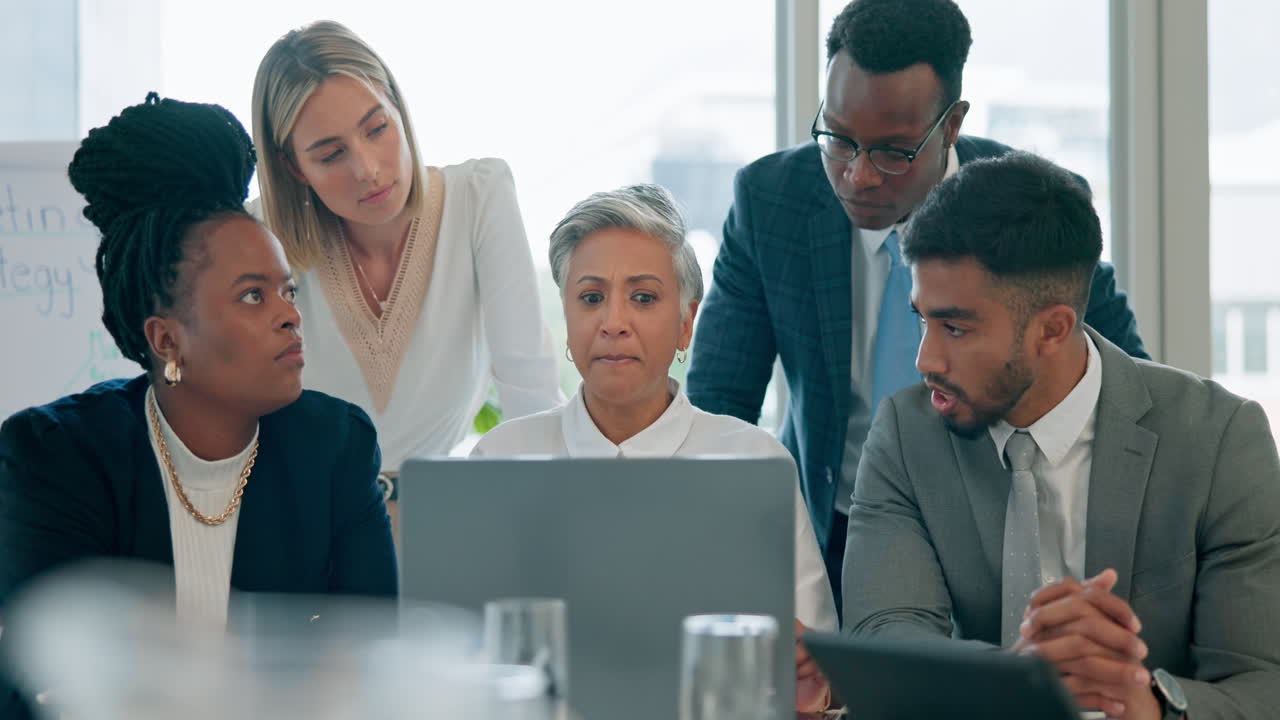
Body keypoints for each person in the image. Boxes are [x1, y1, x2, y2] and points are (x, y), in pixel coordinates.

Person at [686, 0, 1148, 597]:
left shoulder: (1034, 208)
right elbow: (720, 406)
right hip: (832, 533)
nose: (858, 175)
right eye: (839, 139)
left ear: (951, 125)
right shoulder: (771, 200)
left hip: (999, 537)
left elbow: (1134, 397)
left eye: (892, 151)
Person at [842, 151, 1280, 719]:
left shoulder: (1219, 440)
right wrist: (1016, 677)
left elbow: (1263, 685)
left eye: (954, 327)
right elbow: (884, 635)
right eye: (922, 319)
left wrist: (1146, 704)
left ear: (1052, 329)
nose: (926, 358)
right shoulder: (906, 434)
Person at [0, 94, 398, 718]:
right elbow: (47, 681)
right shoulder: (55, 456)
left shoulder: (335, 447)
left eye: (286, 290)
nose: (290, 314)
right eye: (251, 297)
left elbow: (375, 658)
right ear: (166, 340)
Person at [473, 185, 838, 712]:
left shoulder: (752, 464)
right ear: (568, 318)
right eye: (591, 297)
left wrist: (809, 674)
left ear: (687, 322)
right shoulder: (501, 460)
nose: (613, 321)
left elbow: (813, 672)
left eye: (643, 297)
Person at [251, 20, 561, 500]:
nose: (368, 169)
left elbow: (532, 395)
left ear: (399, 107)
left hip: (440, 522)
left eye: (377, 128)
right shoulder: (258, 237)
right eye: (331, 155)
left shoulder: (478, 199)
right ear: (293, 167)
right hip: (305, 530)